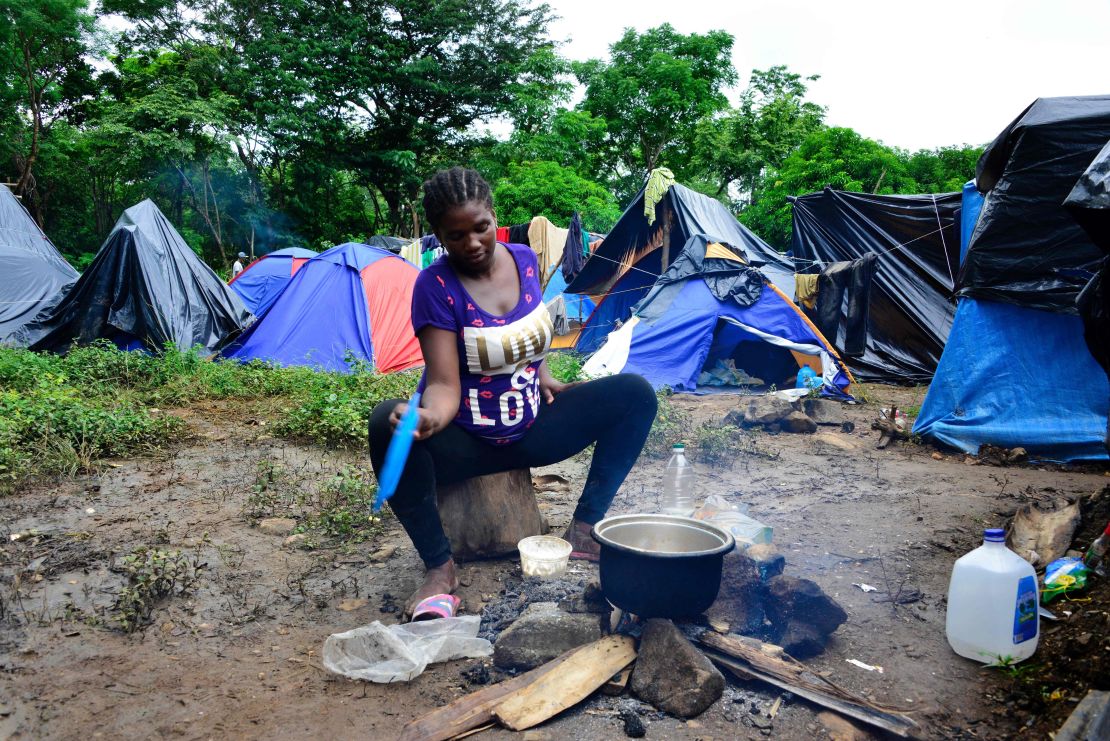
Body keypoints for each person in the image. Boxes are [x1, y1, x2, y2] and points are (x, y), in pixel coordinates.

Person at [369, 167, 657, 619]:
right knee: (384, 424)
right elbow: (444, 384)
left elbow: (528, 333)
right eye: (455, 235)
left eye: (480, 227)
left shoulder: (524, 259)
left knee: (635, 394)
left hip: (531, 429)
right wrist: (428, 418)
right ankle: (439, 569)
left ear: (493, 215)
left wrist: (541, 374)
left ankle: (584, 530)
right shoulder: (435, 286)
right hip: (466, 441)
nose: (472, 243)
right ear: (439, 236)